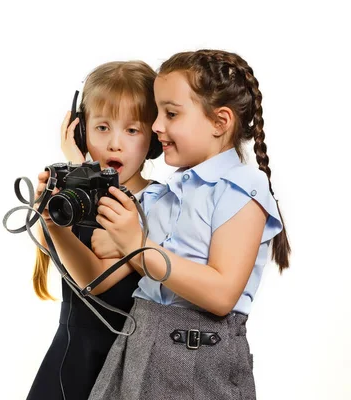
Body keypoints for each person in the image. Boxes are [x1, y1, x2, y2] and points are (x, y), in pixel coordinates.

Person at [88, 49, 291, 400]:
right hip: (137, 345)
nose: (156, 126)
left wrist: (135, 244)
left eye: (170, 113)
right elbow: (105, 249)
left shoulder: (242, 187)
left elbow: (221, 294)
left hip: (197, 361)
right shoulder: (164, 193)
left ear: (220, 122)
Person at [26, 60, 163, 400]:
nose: (115, 144)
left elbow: (94, 281)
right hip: (70, 358)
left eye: (132, 131)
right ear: (82, 131)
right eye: (102, 128)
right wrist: (69, 180)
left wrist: (57, 226)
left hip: (124, 363)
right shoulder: (70, 198)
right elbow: (48, 242)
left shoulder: (156, 202)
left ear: (154, 139)